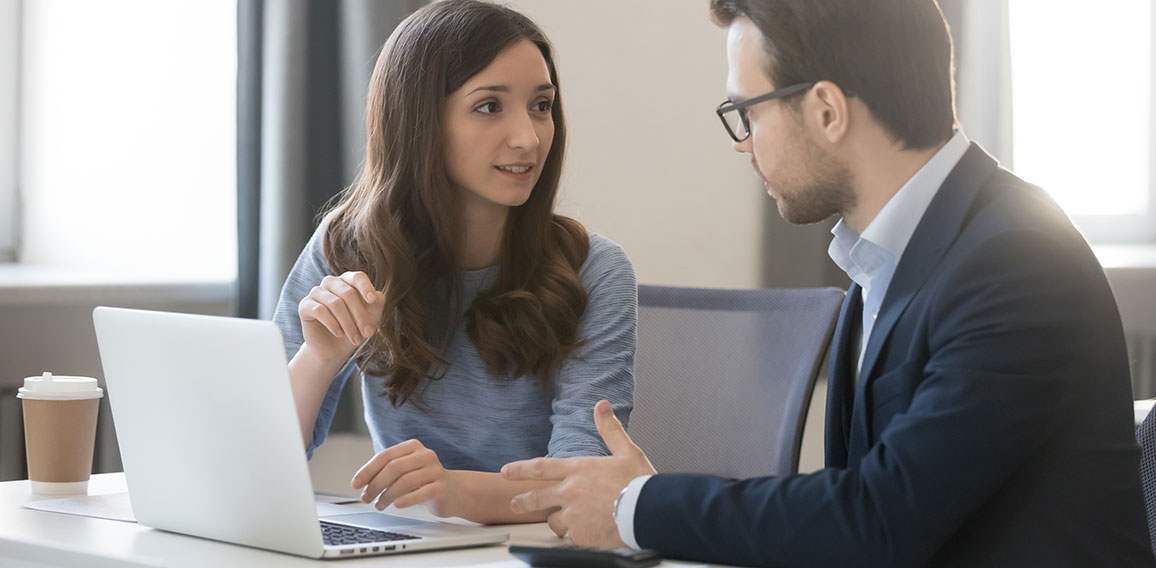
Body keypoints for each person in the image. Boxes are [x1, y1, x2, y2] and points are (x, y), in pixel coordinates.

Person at [500, 0, 1153, 565]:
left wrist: (635, 506)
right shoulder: (890, 256)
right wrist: (649, 505)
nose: (743, 143)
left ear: (826, 111)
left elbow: (879, 519)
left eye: (746, 112)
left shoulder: (1015, 260)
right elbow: (855, 510)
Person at [270, 0, 636, 526]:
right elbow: (268, 459)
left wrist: (454, 492)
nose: (529, 138)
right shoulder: (349, 246)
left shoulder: (594, 269)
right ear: (419, 122)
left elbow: (582, 487)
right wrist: (318, 358)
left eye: (540, 105)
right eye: (490, 106)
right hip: (412, 548)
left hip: (538, 553)